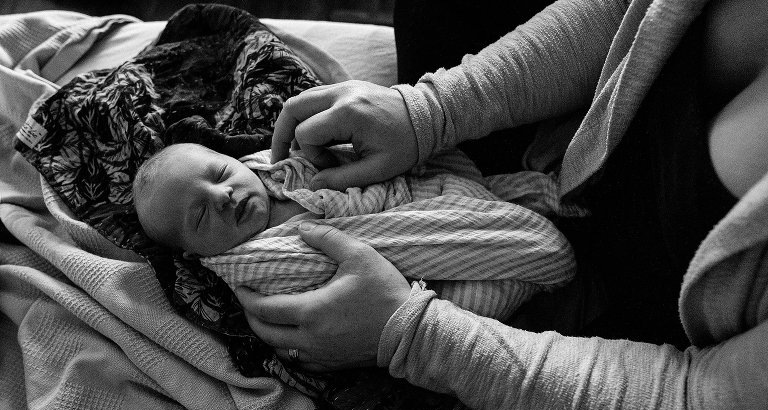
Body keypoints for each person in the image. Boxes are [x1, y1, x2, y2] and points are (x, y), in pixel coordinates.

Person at [232, 0, 768, 410]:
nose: (227, 196)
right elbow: (630, 11)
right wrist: (428, 111)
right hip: (571, 143)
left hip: (648, 351)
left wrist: (413, 334)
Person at [133, 141, 576, 328]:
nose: (223, 195)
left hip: (418, 195)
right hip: (418, 270)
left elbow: (350, 162)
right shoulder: (252, 264)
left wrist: (329, 161)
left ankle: (515, 209)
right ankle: (525, 250)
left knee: (475, 182)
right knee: (477, 300)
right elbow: (327, 269)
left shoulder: (273, 169)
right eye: (200, 216)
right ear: (194, 254)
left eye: (220, 172)